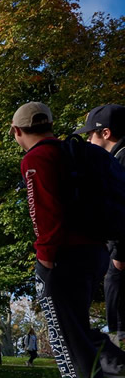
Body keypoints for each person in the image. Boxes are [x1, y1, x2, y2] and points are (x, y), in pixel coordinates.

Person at [11, 101, 125, 378]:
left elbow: (44, 212)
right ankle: (117, 369)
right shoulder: (78, 152)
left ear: (16, 131)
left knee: (65, 335)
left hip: (64, 256)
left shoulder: (37, 158)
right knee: (77, 327)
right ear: (49, 125)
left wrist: (45, 256)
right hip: (97, 251)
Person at [76, 104, 125, 344]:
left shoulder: (119, 160)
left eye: (90, 134)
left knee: (115, 288)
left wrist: (118, 251)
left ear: (105, 133)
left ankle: (119, 339)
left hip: (120, 250)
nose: (87, 140)